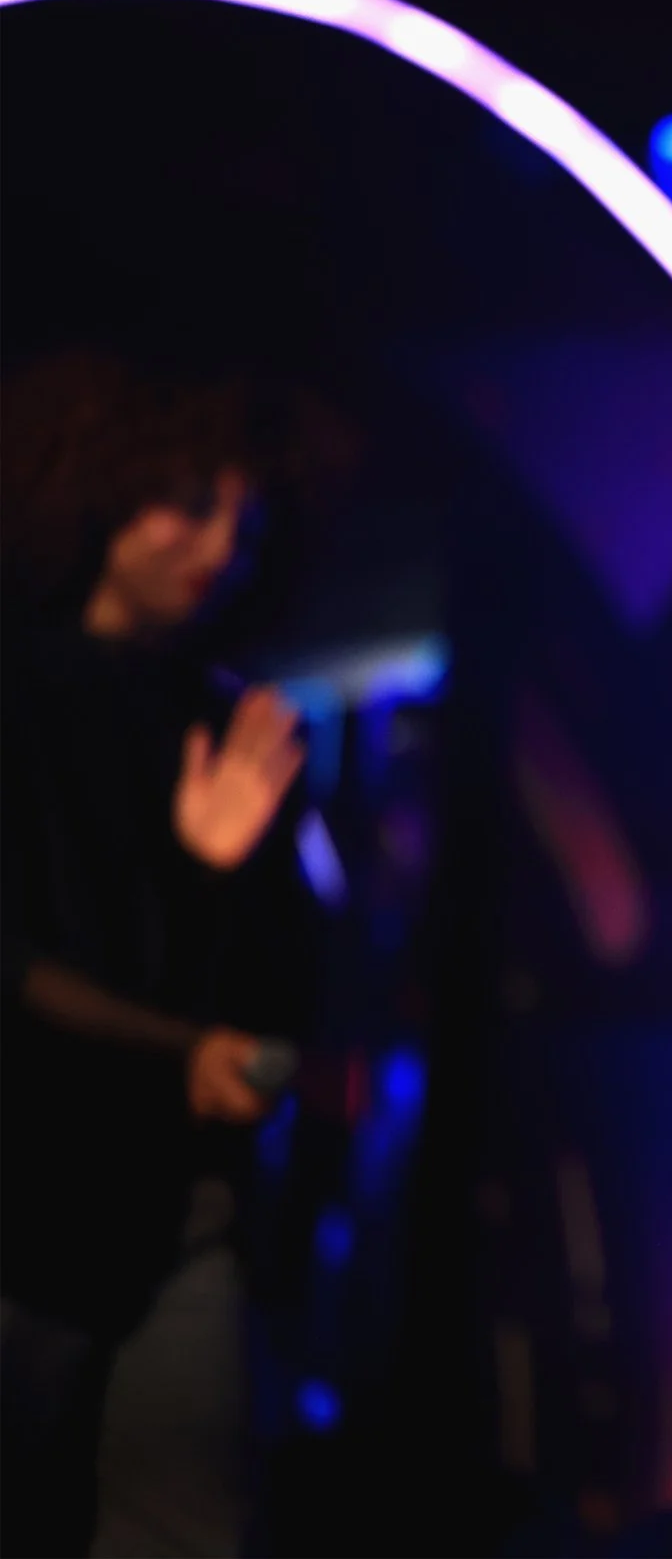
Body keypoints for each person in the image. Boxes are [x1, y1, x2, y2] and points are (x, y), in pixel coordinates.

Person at [0, 354, 327, 1557]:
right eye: (188, 501)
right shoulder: (21, 692)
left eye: (245, 515)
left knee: (185, 1524)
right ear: (99, 487)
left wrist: (215, 873)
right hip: (22, 1205)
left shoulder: (236, 722)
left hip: (175, 1215)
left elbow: (283, 994)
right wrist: (182, 1047)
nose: (221, 542)